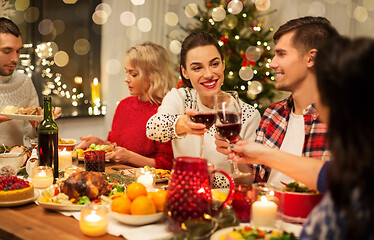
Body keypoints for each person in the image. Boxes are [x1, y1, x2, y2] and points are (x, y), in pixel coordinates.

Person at [231, 36, 374, 239]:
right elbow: (330, 174)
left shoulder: (344, 206)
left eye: (281, 53)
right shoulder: (355, 171)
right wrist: (261, 154)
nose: (272, 63)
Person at [216, 16, 339, 186]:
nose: (272, 63)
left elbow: (342, 185)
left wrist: (265, 154)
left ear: (311, 59)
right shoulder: (273, 114)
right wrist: (240, 156)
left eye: (281, 54)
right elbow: (254, 182)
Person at [146, 32, 261, 187]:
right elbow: (152, 128)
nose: (208, 74)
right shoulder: (180, 97)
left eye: (214, 64)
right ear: (185, 72)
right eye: (197, 67)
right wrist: (183, 124)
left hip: (223, 202)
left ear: (223, 65)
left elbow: (249, 181)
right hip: (185, 197)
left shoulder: (248, 115)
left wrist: (214, 178)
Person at [75, 42, 175, 170]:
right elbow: (115, 144)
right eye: (127, 72)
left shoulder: (165, 112)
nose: (126, 79)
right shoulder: (124, 105)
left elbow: (167, 164)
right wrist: (101, 143)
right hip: (117, 179)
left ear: (153, 76)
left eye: (133, 74)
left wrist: (130, 158)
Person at [0, 17, 39, 147]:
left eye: (18, 51)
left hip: (16, 163)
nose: (15, 59)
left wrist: (39, 127)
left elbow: (32, 138)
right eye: (7, 51)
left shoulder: (24, 82)